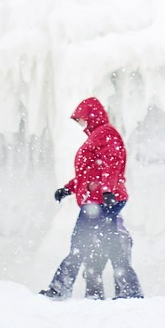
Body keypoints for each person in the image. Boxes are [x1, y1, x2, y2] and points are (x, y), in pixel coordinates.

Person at [40, 97, 143, 300]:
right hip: (97, 199)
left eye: (81, 118)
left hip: (100, 201)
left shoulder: (105, 133)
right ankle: (127, 292)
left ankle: (60, 289)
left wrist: (107, 190)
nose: (79, 123)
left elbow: (112, 162)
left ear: (91, 115)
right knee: (109, 245)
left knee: (80, 244)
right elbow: (89, 173)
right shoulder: (96, 136)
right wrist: (68, 189)